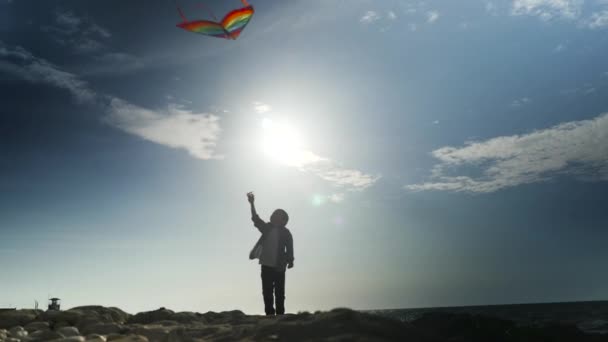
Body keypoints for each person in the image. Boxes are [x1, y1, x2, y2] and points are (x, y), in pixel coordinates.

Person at [247, 192, 294, 315]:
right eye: (273, 214)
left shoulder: (286, 232)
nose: (272, 215)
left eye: (276, 214)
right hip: (266, 265)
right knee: (267, 292)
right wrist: (252, 203)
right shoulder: (267, 227)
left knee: (279, 293)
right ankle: (269, 315)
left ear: (283, 220)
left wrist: (290, 260)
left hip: (279, 266)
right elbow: (255, 219)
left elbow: (289, 247)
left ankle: (280, 316)